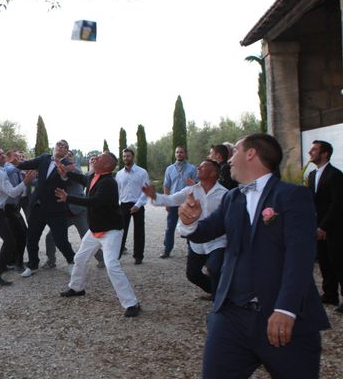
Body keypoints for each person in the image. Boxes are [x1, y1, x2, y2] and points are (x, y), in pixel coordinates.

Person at [178, 133, 330, 378]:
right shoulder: (232, 198)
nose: (229, 160)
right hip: (231, 317)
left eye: (235, 152)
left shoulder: (292, 196)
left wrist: (286, 309)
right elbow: (206, 230)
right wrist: (189, 222)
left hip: (281, 318)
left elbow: (299, 256)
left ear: (251, 154)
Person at [55, 152, 141, 317]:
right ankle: (77, 288)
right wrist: (66, 173)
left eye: (100, 158)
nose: (95, 159)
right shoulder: (95, 176)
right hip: (95, 230)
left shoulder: (108, 183)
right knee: (80, 258)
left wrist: (68, 198)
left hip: (111, 231)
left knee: (111, 265)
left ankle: (132, 303)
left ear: (108, 166)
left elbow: (94, 202)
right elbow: (83, 180)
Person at [143, 160, 227, 298]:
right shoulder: (190, 190)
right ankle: (216, 291)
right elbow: (171, 200)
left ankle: (221, 300)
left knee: (215, 267)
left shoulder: (224, 194)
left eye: (203, 167)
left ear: (213, 173)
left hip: (217, 240)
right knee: (192, 275)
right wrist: (154, 196)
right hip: (196, 241)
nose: (198, 167)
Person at [17, 139, 77, 277]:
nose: (60, 147)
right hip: (37, 207)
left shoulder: (69, 165)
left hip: (56, 208)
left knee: (61, 239)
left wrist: (65, 175)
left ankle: (71, 262)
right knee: (31, 238)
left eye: (64, 146)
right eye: (58, 145)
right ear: (54, 147)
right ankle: (32, 265)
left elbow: (69, 180)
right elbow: (26, 164)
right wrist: (14, 162)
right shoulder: (44, 158)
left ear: (67, 151)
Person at [0, 147, 35, 286]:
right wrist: (26, 181)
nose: (2, 156)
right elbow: (12, 193)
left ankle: (2, 267)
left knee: (12, 239)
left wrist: (12, 162)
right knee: (10, 241)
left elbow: (8, 168)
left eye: (2, 154)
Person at [44, 151, 104, 268]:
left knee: (87, 237)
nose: (66, 157)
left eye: (69, 155)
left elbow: (80, 175)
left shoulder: (75, 168)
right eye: (65, 155)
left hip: (78, 211)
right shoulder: (55, 169)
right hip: (63, 212)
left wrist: (68, 167)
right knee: (50, 237)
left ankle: (102, 259)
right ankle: (51, 261)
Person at [307, 140, 343, 313]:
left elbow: (337, 203)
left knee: (339, 261)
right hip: (317, 226)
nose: (310, 152)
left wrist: (325, 226)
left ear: (325, 153)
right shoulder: (312, 175)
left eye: (314, 149)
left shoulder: (335, 175)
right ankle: (330, 294)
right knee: (324, 260)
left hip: (334, 227)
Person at [160, 145, 197, 258]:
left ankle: (192, 250)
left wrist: (193, 184)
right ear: (175, 154)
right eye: (177, 152)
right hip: (173, 202)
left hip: (187, 202)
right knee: (170, 227)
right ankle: (167, 250)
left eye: (181, 152)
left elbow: (197, 185)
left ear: (185, 154)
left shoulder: (192, 168)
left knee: (190, 226)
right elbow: (166, 186)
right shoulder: (169, 169)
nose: (179, 154)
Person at [115, 148, 150, 264]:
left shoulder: (142, 172)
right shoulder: (119, 174)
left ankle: (138, 256)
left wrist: (138, 204)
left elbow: (146, 191)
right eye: (124, 156)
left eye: (128, 156)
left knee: (139, 231)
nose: (126, 158)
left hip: (138, 205)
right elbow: (118, 191)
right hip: (124, 205)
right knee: (121, 232)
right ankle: (116, 256)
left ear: (133, 157)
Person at [4, 149, 29, 271]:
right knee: (20, 233)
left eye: (20, 156)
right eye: (16, 156)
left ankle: (12, 261)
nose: (19, 158)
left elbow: (28, 180)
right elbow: (10, 170)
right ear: (9, 157)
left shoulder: (16, 169)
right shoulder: (6, 167)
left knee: (18, 233)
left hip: (13, 207)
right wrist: (20, 164)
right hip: (6, 207)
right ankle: (16, 263)